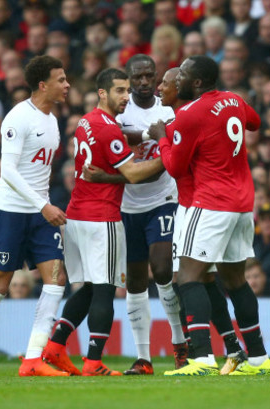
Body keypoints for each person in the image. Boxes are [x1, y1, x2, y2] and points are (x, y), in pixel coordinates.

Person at [149, 55, 270, 376]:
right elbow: (255, 123)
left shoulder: (191, 113)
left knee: (188, 278)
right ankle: (258, 359)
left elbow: (175, 166)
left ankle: (202, 359)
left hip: (209, 203)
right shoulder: (233, 99)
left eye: (183, 76)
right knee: (236, 281)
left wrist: (162, 137)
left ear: (198, 82)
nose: (177, 81)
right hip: (243, 204)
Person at [42, 68, 165, 377]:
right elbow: (134, 174)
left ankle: (55, 347)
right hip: (102, 219)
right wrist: (169, 152)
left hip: (77, 216)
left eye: (128, 90)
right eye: (120, 90)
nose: (127, 96)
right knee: (106, 289)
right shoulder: (108, 128)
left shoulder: (86, 122)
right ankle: (94, 362)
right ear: (102, 93)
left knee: (88, 288)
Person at [0, 55, 71, 378]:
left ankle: (33, 358)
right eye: (60, 80)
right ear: (42, 85)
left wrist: (42, 205)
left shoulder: (52, 120)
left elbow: (39, 171)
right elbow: (7, 171)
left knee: (56, 279)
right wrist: (43, 205)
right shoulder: (18, 118)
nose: (66, 85)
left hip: (39, 214)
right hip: (10, 212)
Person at [83, 55, 182, 375]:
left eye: (148, 76)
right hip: (126, 206)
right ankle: (144, 359)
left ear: (155, 77)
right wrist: (146, 136)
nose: (142, 82)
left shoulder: (167, 109)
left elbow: (165, 157)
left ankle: (181, 346)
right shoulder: (119, 111)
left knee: (163, 269)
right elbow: (116, 137)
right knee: (136, 283)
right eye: (136, 77)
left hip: (163, 199)